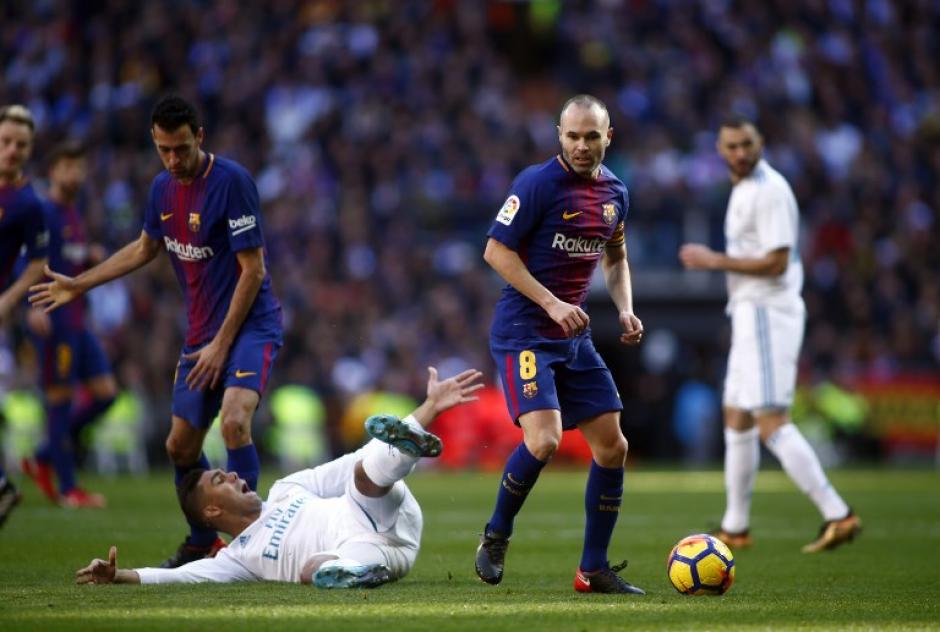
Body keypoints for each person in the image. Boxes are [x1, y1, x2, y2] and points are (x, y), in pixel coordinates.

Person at [30, 95, 283, 566]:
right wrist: (79, 284)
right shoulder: (162, 189)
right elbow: (146, 247)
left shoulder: (232, 182)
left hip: (249, 328)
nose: (174, 160)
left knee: (233, 421)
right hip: (200, 336)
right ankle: (201, 538)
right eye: (165, 150)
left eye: (182, 149)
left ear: (199, 138)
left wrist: (222, 344)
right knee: (178, 446)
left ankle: (252, 543)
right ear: (154, 142)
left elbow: (253, 271)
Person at [75, 367, 483, 587]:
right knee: (313, 571)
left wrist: (428, 407)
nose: (234, 474)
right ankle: (358, 574)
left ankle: (407, 444)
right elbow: (181, 576)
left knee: (361, 474)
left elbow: (356, 458)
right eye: (220, 479)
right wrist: (120, 577)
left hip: (382, 510)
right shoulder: (238, 559)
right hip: (377, 553)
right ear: (212, 509)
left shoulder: (288, 490)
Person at [475, 95, 645, 594]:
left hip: (573, 336)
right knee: (545, 440)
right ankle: (496, 534)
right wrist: (551, 303)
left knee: (613, 446)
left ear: (608, 137)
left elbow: (615, 258)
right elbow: (494, 250)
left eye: (592, 136)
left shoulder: (616, 193)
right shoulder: (536, 184)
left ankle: (592, 570)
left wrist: (625, 308)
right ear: (559, 135)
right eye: (572, 135)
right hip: (525, 330)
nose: (581, 145)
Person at [678, 117, 862, 553]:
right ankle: (735, 526)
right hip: (748, 311)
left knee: (771, 422)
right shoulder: (744, 189)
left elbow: (777, 262)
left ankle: (838, 513)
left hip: (767, 310)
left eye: (747, 144)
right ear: (720, 151)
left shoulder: (770, 190)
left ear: (760, 144)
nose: (740, 152)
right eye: (732, 146)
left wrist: (714, 261)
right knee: (736, 415)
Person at [20, 142, 116, 508]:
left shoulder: (73, 213)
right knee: (60, 402)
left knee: (106, 393)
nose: (75, 173)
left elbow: (66, 259)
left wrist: (89, 257)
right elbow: (24, 259)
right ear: (53, 171)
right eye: (67, 167)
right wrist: (32, 305)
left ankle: (43, 455)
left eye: (79, 167)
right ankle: (68, 488)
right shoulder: (43, 210)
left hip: (77, 320)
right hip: (53, 319)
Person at [0, 104, 49, 527]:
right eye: (6, 142)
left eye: (21, 145)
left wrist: (9, 300)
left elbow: (37, 264)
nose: (12, 150)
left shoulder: (28, 204)